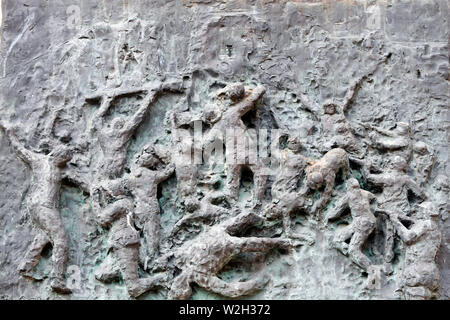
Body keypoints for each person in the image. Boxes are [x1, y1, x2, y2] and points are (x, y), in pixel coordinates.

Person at [1, 122, 73, 293]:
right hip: (43, 205)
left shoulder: (60, 170)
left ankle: (26, 266)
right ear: (57, 154)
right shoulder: (39, 161)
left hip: (42, 207)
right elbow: (20, 149)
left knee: (44, 235)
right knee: (61, 240)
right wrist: (9, 131)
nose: (65, 162)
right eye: (65, 158)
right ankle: (57, 279)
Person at [362, 156, 426, 263]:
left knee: (381, 225)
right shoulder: (406, 179)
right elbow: (421, 195)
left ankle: (382, 251)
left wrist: (366, 166)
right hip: (402, 209)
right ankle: (388, 251)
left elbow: (368, 178)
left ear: (392, 165)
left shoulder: (386, 177)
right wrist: (416, 206)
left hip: (387, 208)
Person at [385, 202, 441, 299]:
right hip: (431, 273)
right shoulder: (436, 230)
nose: (418, 213)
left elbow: (407, 237)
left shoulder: (425, 225)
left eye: (420, 211)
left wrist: (395, 221)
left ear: (425, 212)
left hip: (417, 271)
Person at [326, 178, 376, 272]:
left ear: (348, 187)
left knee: (353, 250)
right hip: (364, 222)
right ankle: (353, 260)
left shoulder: (349, 196)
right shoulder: (366, 193)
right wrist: (372, 212)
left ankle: (372, 271)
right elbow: (374, 199)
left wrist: (327, 217)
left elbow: (335, 212)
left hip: (361, 223)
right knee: (337, 239)